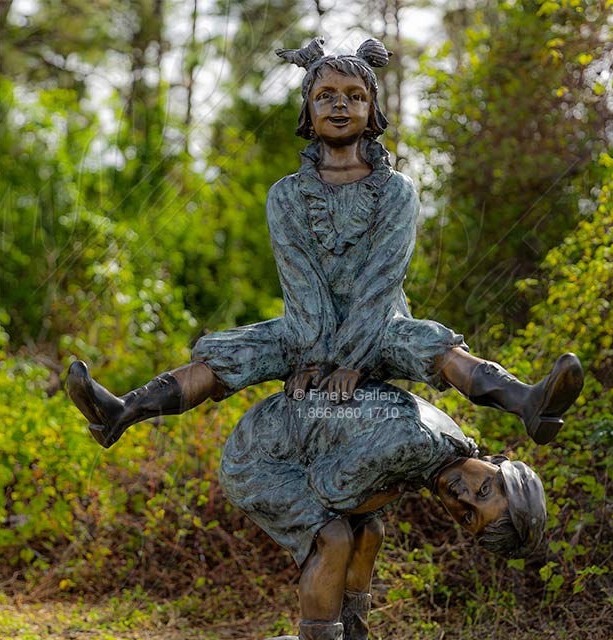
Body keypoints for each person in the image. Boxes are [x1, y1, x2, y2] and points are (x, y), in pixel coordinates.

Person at [67, 37, 583, 450]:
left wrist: (352, 361)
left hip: (380, 327)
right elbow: (299, 279)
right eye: (326, 96)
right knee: (234, 352)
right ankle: (124, 411)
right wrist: (314, 355)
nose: (341, 106)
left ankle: (527, 401)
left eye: (356, 96)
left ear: (373, 109)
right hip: (304, 327)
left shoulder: (397, 190)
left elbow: (384, 279)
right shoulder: (285, 196)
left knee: (432, 343)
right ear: (308, 111)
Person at [219, 379, 547, 640]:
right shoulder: (415, 443)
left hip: (297, 452)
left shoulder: (452, 448)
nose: (463, 497)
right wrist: (394, 489)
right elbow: (328, 490)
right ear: (496, 463)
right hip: (259, 457)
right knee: (335, 537)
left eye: (467, 516)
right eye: (484, 489)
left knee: (370, 530)